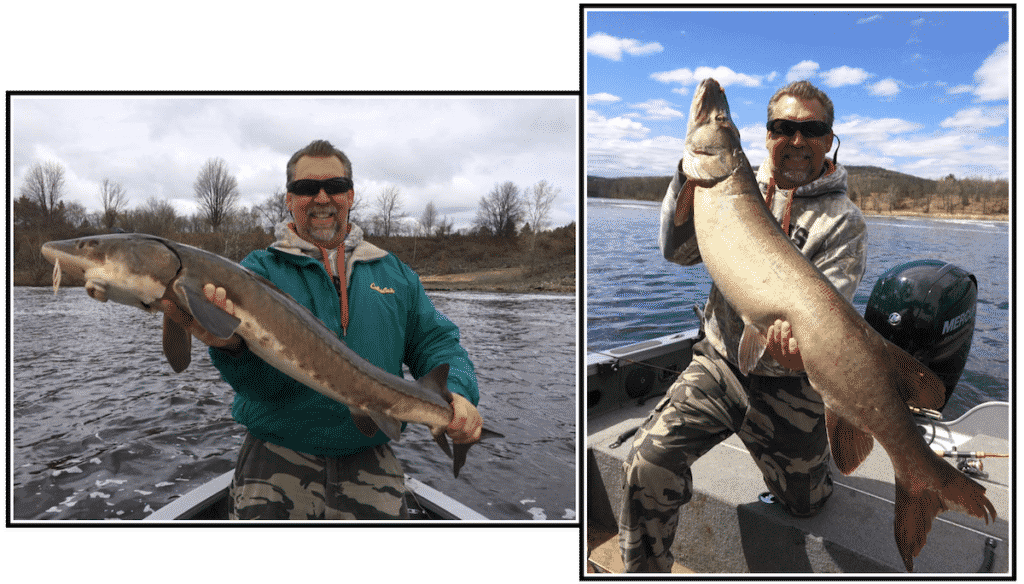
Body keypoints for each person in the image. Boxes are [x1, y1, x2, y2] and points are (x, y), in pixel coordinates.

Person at [162, 139, 483, 520]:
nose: (321, 197)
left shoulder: (394, 273)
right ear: (288, 199)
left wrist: (458, 391)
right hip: (273, 458)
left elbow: (436, 342)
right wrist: (230, 347)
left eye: (334, 186)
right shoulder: (256, 272)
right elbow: (256, 387)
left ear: (350, 195)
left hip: (371, 458)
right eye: (305, 188)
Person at [618, 81, 867, 571]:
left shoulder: (843, 222)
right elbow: (677, 252)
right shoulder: (730, 183)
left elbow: (826, 323)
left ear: (829, 138)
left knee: (807, 506)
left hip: (790, 385)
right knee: (645, 464)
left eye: (812, 129)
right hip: (721, 365)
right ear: (767, 134)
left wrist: (797, 350)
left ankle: (811, 468)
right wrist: (687, 174)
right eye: (784, 127)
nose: (797, 140)